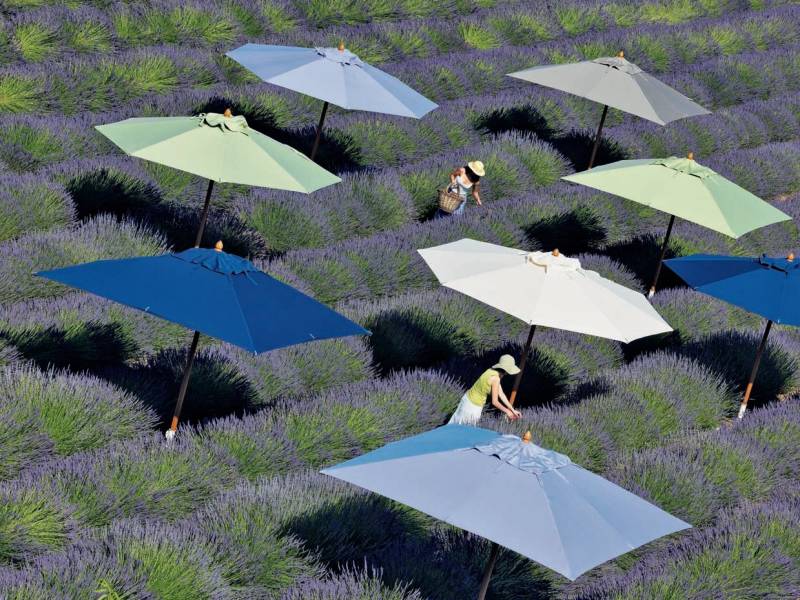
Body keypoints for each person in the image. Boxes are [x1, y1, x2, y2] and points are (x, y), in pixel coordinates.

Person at [449, 354, 522, 425]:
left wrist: (512, 410)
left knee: (453, 426)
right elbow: (495, 402)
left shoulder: (491, 370)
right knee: (465, 432)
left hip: (466, 400)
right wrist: (507, 412)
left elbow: (501, 394)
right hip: (473, 406)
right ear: (506, 370)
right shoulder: (495, 379)